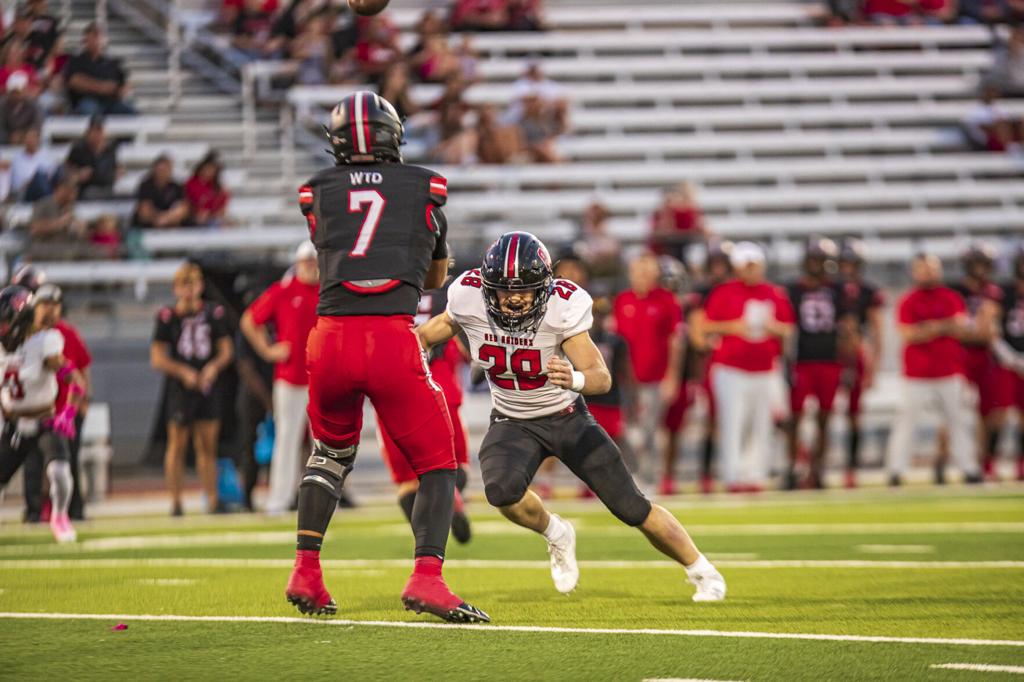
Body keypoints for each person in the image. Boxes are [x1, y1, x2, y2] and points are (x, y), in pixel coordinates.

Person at [417, 231, 727, 602]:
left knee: (631, 506)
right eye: (504, 290)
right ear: (486, 287)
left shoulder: (563, 305)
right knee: (501, 492)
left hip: (566, 417)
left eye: (525, 290)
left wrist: (575, 378)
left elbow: (602, 376)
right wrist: (421, 352)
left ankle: (702, 571)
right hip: (512, 419)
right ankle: (556, 533)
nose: (514, 298)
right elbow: (432, 332)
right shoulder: (468, 296)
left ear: (545, 288)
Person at [285, 91, 488, 623]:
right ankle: (428, 579)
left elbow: (331, 242)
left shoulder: (317, 191)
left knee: (327, 457)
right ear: (391, 135)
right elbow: (433, 277)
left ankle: (306, 570)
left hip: (328, 337)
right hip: (392, 338)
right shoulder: (424, 187)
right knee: (439, 464)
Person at [377, 285, 473, 543]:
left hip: (392, 391)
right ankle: (450, 500)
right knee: (454, 468)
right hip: (438, 387)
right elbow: (470, 353)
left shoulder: (381, 292)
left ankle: (426, 540)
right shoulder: (451, 297)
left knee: (409, 483)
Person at [701, 242, 795, 492]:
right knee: (733, 423)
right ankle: (733, 475)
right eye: (747, 266)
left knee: (761, 424)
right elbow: (706, 326)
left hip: (764, 368)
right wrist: (734, 327)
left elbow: (787, 327)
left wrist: (772, 327)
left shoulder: (774, 293)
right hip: (731, 368)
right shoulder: (724, 292)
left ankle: (755, 474)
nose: (752, 271)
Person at [886, 254, 982, 486]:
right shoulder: (909, 300)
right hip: (917, 374)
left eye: (931, 269)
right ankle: (896, 471)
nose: (927, 273)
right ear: (914, 272)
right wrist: (943, 327)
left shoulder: (951, 297)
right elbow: (909, 333)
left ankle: (969, 468)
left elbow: (962, 330)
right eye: (923, 269)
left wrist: (930, 328)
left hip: (949, 371)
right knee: (906, 422)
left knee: (958, 421)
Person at [0, 286, 84, 543]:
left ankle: (60, 517)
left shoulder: (43, 343)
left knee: (58, 471)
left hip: (44, 421)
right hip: (14, 423)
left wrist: (67, 413)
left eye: (4, 321)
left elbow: (75, 381)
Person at [240, 242, 320, 515]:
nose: (311, 266)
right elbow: (250, 320)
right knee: (286, 438)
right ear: (298, 263)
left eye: (314, 261)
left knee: (326, 442)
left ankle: (322, 497)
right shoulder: (284, 291)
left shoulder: (327, 292)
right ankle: (280, 497)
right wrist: (267, 350)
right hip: (290, 378)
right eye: (307, 261)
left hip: (321, 378)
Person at [150, 263, 234, 516]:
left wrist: (212, 368)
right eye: (184, 284)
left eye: (193, 284)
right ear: (176, 288)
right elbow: (157, 357)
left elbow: (226, 350)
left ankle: (212, 498)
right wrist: (183, 372)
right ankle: (176, 502)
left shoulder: (213, 313)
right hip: (180, 387)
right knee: (177, 444)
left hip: (207, 385)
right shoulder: (167, 316)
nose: (189, 290)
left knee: (207, 445)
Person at [19, 281, 93, 523]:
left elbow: (77, 373)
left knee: (65, 462)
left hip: (60, 411)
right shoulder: (25, 336)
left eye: (54, 304)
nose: (49, 310)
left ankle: (72, 511)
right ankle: (34, 511)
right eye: (44, 304)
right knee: (32, 463)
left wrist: (75, 408)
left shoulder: (67, 335)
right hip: (32, 411)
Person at [613, 252, 683, 489]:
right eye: (637, 272)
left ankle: (650, 478)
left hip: (654, 377)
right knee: (628, 431)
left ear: (655, 274)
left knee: (650, 431)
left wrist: (671, 376)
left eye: (646, 272)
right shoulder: (622, 300)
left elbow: (675, 341)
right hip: (626, 380)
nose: (641, 277)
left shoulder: (667, 300)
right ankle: (630, 476)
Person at [784, 237, 849, 490]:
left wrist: (849, 362)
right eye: (812, 260)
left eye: (820, 260)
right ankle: (793, 466)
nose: (816, 265)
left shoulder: (838, 290)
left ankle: (818, 468)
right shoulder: (793, 289)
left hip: (830, 360)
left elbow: (847, 328)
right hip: (802, 359)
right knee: (795, 417)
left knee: (824, 418)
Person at [677, 240, 733, 494]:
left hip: (738, 362)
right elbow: (698, 336)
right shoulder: (702, 292)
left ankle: (728, 469)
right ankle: (706, 472)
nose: (719, 269)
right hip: (710, 363)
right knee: (711, 419)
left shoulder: (736, 290)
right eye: (716, 264)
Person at [950, 245, 1007, 480]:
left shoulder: (995, 291)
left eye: (983, 264)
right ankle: (947, 462)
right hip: (960, 354)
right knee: (954, 412)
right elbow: (957, 328)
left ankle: (986, 461)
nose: (979, 270)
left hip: (987, 356)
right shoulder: (955, 290)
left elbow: (989, 331)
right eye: (976, 264)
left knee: (989, 412)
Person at [836, 238, 885, 489]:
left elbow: (876, 331)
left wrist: (873, 364)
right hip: (828, 356)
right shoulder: (828, 288)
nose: (847, 268)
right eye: (844, 262)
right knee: (819, 414)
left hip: (855, 354)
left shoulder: (868, 291)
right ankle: (812, 464)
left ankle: (851, 467)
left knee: (854, 414)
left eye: (851, 263)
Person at [991, 246, 1024, 481]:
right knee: (999, 413)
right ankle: (990, 462)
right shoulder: (1003, 291)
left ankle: (1020, 464)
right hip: (1006, 359)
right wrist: (1006, 353)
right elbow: (990, 323)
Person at [62, 22, 136, 116]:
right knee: (88, 109)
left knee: (131, 112)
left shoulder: (113, 62)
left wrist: (123, 89)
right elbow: (74, 80)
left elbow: (125, 82)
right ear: (85, 40)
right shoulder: (76, 60)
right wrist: (102, 87)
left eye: (99, 36)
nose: (97, 40)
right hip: (86, 101)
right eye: (93, 36)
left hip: (111, 102)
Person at [649, 183, 709, 264]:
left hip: (683, 248)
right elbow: (656, 233)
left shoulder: (685, 212)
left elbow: (698, 228)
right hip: (663, 251)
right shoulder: (658, 214)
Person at [65, 115, 120, 199]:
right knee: (89, 192)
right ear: (88, 132)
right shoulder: (78, 150)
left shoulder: (109, 151)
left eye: (100, 130)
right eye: (95, 130)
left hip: (106, 188)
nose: (97, 135)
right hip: (84, 190)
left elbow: (113, 172)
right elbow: (67, 172)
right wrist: (78, 175)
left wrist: (115, 174)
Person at [133, 155, 191, 228]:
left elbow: (183, 207)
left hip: (170, 219)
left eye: (165, 170)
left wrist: (166, 218)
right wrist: (158, 217)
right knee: (144, 211)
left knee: (183, 209)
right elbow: (144, 207)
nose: (162, 173)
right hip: (151, 221)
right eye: (160, 170)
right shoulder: (146, 185)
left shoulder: (176, 186)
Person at [184, 152, 230, 227]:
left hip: (211, 218)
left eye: (212, 169)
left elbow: (221, 208)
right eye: (207, 168)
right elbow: (190, 203)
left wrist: (211, 214)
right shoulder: (191, 183)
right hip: (194, 217)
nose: (209, 172)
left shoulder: (217, 188)